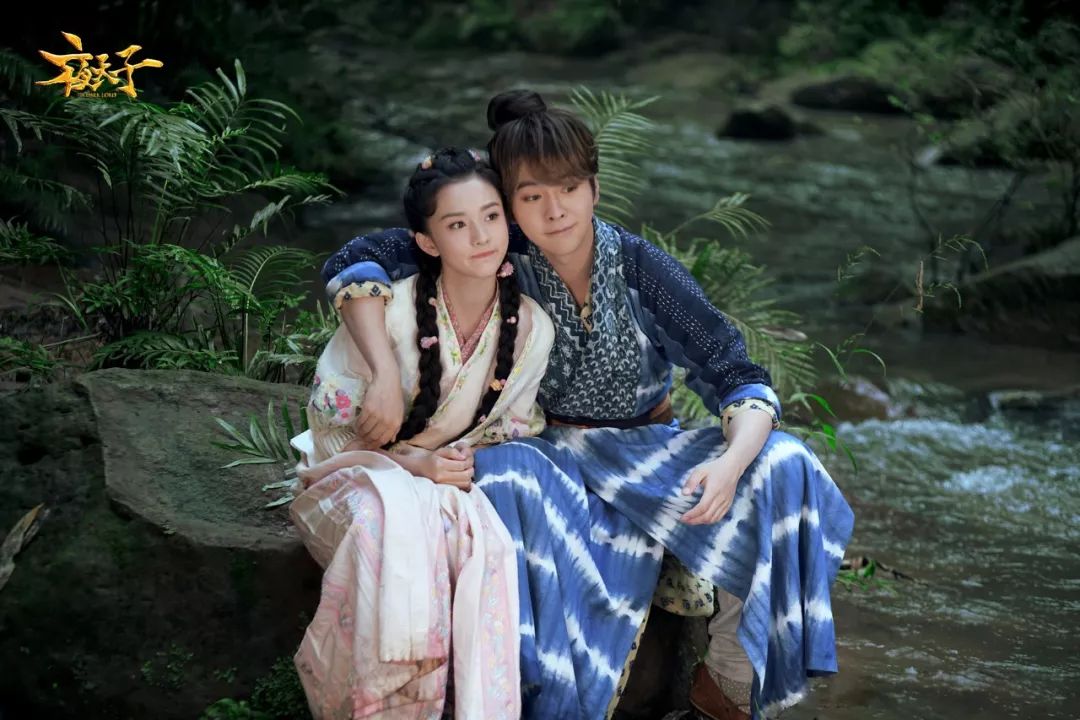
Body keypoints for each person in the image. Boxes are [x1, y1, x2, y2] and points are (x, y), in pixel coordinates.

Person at [320, 91, 855, 720]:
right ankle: (533, 691)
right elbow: (355, 259)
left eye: (569, 188)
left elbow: (738, 376)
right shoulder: (499, 248)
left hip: (646, 448)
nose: (554, 210)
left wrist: (730, 466)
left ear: (594, 189)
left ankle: (729, 682)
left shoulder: (641, 269)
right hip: (546, 447)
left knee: (784, 460)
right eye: (531, 196)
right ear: (510, 205)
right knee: (507, 478)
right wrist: (384, 374)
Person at [288, 146, 555, 719]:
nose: (481, 236)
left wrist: (448, 467)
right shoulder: (388, 314)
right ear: (427, 243)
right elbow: (330, 439)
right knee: (385, 527)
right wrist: (412, 466)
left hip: (440, 488)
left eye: (491, 216)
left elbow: (507, 434)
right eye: (457, 225)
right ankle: (383, 706)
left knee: (477, 542)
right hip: (350, 482)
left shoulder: (532, 329)